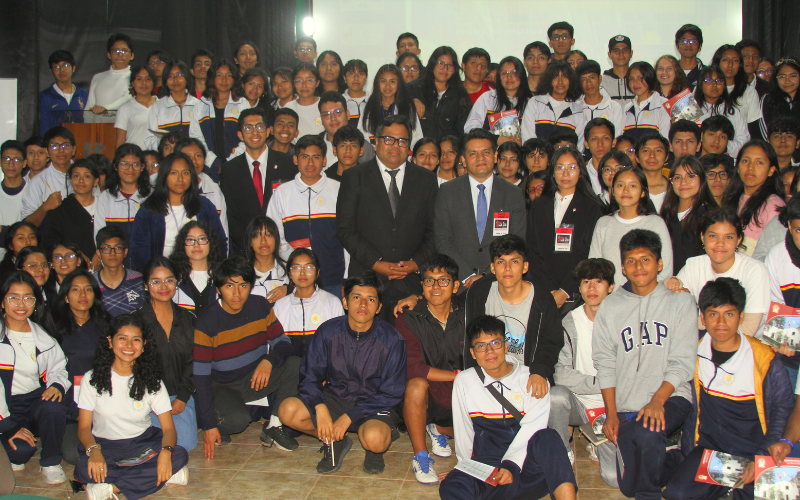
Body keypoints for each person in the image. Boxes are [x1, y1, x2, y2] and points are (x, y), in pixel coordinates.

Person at [662, 277, 793, 500]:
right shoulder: (692, 355)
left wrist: (761, 457)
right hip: (712, 452)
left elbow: (782, 410)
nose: (721, 322)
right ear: (702, 318)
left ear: (741, 317)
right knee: (678, 494)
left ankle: (731, 489)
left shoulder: (765, 360)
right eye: (713, 314)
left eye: (729, 314)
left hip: (755, 453)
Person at [592, 229, 696, 495]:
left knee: (647, 433)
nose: (638, 267)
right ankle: (674, 457)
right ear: (623, 268)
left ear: (659, 264)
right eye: (631, 261)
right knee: (628, 486)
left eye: (646, 259)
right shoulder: (610, 306)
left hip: (671, 396)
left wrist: (657, 401)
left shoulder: (681, 302)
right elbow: (605, 363)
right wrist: (611, 413)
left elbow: (682, 362)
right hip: (628, 405)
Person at [278, 271, 406, 474]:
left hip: (373, 404)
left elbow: (391, 392)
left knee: (375, 440)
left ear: (379, 307)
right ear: (345, 302)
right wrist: (319, 406)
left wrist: (349, 416)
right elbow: (310, 376)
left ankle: (373, 450)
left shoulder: (392, 340)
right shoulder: (328, 331)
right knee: (287, 410)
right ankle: (335, 440)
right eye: (356, 297)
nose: (363, 305)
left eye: (371, 299)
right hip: (336, 398)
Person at [439, 315, 577, 500]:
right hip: (490, 470)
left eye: (495, 343)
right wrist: (464, 468)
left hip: (528, 468)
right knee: (452, 485)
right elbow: (463, 429)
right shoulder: (464, 381)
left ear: (505, 346)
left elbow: (533, 428)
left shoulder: (533, 378)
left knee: (549, 437)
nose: (489, 351)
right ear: (472, 353)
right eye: (481, 346)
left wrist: (511, 465)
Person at [75, 313, 189, 500]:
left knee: (179, 454)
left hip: (141, 443)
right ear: (110, 342)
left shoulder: (153, 381)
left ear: (144, 345)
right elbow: (84, 428)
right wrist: (94, 451)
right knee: (83, 468)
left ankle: (112, 488)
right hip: (104, 445)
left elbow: (169, 429)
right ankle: (163, 476)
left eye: (136, 340)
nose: (129, 345)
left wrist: (166, 452)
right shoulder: (92, 379)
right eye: (122, 338)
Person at [194, 255, 300, 455]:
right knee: (238, 421)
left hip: (255, 378)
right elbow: (201, 376)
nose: (237, 294)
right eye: (229, 286)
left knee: (295, 364)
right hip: (223, 385)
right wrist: (209, 425)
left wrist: (269, 361)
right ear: (218, 289)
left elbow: (283, 343)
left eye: (243, 286)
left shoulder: (260, 306)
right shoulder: (206, 321)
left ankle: (274, 425)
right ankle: (212, 417)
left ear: (250, 286)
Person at [337, 115, 437, 318]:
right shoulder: (354, 177)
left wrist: (416, 263)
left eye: (402, 141)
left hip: (411, 282)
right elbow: (345, 229)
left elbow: (435, 230)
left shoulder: (426, 179)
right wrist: (377, 263)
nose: (395, 146)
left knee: (409, 338)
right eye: (389, 139)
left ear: (408, 146)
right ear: (376, 142)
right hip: (367, 280)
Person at [459, 234, 562, 404]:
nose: (507, 268)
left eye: (514, 262)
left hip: (528, 375)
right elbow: (471, 336)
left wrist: (539, 371)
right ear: (492, 268)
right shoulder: (480, 292)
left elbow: (551, 342)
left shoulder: (542, 299)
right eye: (501, 262)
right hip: (488, 373)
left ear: (525, 266)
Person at [393, 254, 464, 484]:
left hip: (460, 395)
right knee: (416, 384)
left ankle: (438, 429)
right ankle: (421, 456)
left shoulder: (467, 313)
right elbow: (412, 366)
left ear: (455, 286)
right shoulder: (408, 317)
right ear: (422, 285)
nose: (436, 287)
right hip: (426, 397)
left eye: (443, 280)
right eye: (429, 281)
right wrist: (456, 376)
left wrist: (463, 381)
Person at [549, 258, 617, 476]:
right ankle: (563, 450)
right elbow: (561, 375)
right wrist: (604, 383)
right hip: (580, 403)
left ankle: (596, 441)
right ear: (579, 288)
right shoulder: (569, 322)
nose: (592, 288)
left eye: (599, 282)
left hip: (614, 408)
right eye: (586, 282)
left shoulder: (623, 321)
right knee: (555, 396)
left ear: (611, 287)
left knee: (614, 477)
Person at [434, 128, 526, 287]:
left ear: (495, 156)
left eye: (486, 152)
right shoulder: (447, 191)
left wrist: (487, 276)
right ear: (463, 160)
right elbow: (442, 240)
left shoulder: (513, 194)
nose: (480, 158)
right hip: (459, 283)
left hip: (500, 283)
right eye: (473, 154)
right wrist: (467, 275)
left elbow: (516, 242)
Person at [0, 271, 69, 483]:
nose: (21, 304)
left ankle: (51, 462)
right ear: (2, 302)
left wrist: (57, 385)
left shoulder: (43, 337)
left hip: (34, 401)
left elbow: (60, 367)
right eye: (13, 297)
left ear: (35, 303)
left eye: (28, 298)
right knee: (20, 452)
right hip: (6, 406)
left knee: (53, 405)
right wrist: (8, 426)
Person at [667, 208, 770, 337]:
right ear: (703, 237)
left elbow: (749, 329)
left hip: (745, 344)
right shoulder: (694, 265)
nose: (720, 243)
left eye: (728, 237)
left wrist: (695, 322)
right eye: (713, 236)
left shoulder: (754, 270)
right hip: (701, 340)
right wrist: (670, 283)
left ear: (738, 240)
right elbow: (670, 310)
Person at [267, 134, 346, 296]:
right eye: (305, 157)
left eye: (316, 157)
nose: (310, 163)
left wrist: (347, 278)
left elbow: (349, 237)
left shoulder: (339, 190)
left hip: (334, 279)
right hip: (296, 279)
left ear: (324, 160)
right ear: (295, 159)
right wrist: (298, 264)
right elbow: (274, 236)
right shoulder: (282, 193)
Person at [131, 257, 197, 451]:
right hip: (146, 397)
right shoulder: (134, 321)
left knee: (185, 445)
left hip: (179, 397)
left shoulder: (188, 319)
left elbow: (196, 361)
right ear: (145, 285)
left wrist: (183, 396)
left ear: (176, 282)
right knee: (153, 446)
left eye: (169, 280)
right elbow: (130, 365)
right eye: (156, 281)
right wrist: (150, 398)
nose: (163, 287)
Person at [528, 146, 605, 309]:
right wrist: (548, 289)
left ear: (581, 171)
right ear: (552, 171)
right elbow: (532, 249)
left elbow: (587, 252)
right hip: (543, 289)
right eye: (560, 168)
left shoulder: (592, 207)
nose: (566, 174)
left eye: (572, 168)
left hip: (576, 291)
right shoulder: (539, 205)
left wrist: (564, 290)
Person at [51, 269, 112, 465]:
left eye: (88, 289)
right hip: (70, 407)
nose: (83, 295)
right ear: (66, 296)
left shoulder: (108, 327)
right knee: (74, 454)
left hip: (103, 403)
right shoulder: (53, 330)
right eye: (75, 289)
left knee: (116, 448)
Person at [129, 152, 227, 271]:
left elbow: (220, 242)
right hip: (163, 275)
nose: (180, 179)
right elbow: (139, 250)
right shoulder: (149, 210)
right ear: (164, 176)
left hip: (201, 273)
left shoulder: (204, 206)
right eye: (174, 173)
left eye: (185, 173)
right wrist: (158, 273)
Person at [220, 107, 296, 253]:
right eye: (248, 128)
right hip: (247, 250)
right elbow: (231, 217)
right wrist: (251, 246)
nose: (255, 132)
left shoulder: (288, 164)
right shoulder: (229, 170)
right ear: (240, 135)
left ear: (268, 131)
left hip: (284, 247)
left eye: (259, 127)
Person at [589, 166, 673, 286]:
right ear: (613, 191)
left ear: (643, 192)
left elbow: (666, 271)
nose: (626, 191)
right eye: (620, 185)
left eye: (633, 186)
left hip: (650, 295)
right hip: (613, 296)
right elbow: (595, 268)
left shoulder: (655, 223)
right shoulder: (603, 223)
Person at [274, 248, 344, 357]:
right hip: (290, 366)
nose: (302, 273)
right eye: (296, 268)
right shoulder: (280, 306)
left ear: (317, 272)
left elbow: (340, 345)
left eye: (309, 267)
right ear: (289, 273)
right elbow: (275, 346)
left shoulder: (332, 302)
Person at [188, 59, 250, 178]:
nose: (224, 80)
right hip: (208, 168)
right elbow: (196, 137)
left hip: (237, 165)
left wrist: (230, 163)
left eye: (229, 75)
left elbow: (248, 137)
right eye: (219, 75)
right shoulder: (201, 105)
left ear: (234, 79)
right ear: (212, 79)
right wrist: (214, 163)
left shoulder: (243, 103)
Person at [93, 144, 152, 269]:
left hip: (147, 268)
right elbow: (100, 237)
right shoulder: (105, 198)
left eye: (135, 164)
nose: (130, 169)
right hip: (114, 269)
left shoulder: (152, 196)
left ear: (142, 167)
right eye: (124, 164)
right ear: (115, 166)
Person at [723, 139, 785, 254]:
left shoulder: (773, 205)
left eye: (759, 162)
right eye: (745, 161)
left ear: (771, 170)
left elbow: (776, 253)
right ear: (738, 167)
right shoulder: (732, 198)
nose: (751, 167)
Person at [765, 195, 800, 387]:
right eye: (799, 230)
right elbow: (774, 305)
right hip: (791, 355)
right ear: (789, 226)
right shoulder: (777, 256)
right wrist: (783, 340)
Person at [661, 155, 716, 273]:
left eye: (690, 176)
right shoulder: (667, 215)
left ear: (701, 179)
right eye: (677, 177)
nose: (683, 182)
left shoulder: (709, 217)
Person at [408, 45, 473, 143]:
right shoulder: (414, 88)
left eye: (450, 65)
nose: (445, 69)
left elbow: (464, 131)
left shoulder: (460, 95)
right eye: (440, 63)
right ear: (432, 64)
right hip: (419, 148)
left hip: (448, 150)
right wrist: (412, 100)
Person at [464, 56, 531, 146]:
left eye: (514, 72)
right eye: (504, 73)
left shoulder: (531, 103)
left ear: (522, 75)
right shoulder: (488, 98)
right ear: (499, 77)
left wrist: (525, 142)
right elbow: (470, 127)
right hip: (489, 150)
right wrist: (495, 138)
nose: (509, 77)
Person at [42, 159, 99, 263]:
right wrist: (75, 254)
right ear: (71, 180)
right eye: (76, 176)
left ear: (95, 181)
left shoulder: (103, 206)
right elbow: (51, 243)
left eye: (87, 176)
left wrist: (100, 253)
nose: (81, 180)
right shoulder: (59, 210)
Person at [173, 138, 229, 240]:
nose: (194, 161)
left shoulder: (213, 189)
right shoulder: (170, 188)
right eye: (188, 156)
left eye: (198, 156)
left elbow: (222, 229)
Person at [21, 127, 77, 226]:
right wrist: (45, 208)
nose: (61, 150)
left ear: (73, 150)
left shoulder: (87, 176)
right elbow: (26, 224)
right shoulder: (37, 182)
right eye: (54, 146)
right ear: (46, 151)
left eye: (66, 145)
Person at [520, 60, 585, 146]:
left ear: (571, 80)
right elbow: (528, 137)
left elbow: (579, 146)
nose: (560, 81)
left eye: (564, 76)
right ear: (549, 80)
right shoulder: (535, 103)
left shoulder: (578, 112)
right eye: (555, 77)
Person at [359, 64, 423, 148]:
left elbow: (416, 140)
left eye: (392, 82)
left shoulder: (408, 108)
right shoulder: (368, 108)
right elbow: (362, 139)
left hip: (400, 153)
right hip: (375, 154)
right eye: (383, 81)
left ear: (399, 84)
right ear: (377, 83)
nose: (387, 86)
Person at [169, 220, 224, 314]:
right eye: (190, 240)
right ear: (182, 244)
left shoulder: (223, 276)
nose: (196, 245)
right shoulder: (173, 277)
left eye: (202, 239)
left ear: (211, 242)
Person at [695, 65, 751, 157]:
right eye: (709, 80)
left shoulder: (733, 112)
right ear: (700, 84)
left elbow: (744, 143)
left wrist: (723, 144)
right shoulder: (691, 110)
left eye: (719, 80)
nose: (714, 84)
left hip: (725, 160)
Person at [143, 61, 199, 151]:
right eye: (170, 76)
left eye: (179, 74)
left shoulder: (198, 105)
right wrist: (168, 145)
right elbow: (149, 139)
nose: (175, 79)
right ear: (165, 81)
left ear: (187, 78)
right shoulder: (157, 107)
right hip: (167, 157)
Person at [93, 225, 145, 316]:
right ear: (98, 253)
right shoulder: (90, 282)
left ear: (125, 252)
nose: (112, 253)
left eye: (117, 248)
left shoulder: (139, 280)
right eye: (106, 248)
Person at [711, 45, 763, 137]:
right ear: (717, 62)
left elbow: (753, 128)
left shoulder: (749, 91)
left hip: (739, 143)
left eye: (735, 60)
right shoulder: (704, 87)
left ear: (740, 65)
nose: (730, 64)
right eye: (725, 60)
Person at [84, 33, 134, 123]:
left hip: (124, 129)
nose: (120, 54)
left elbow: (127, 99)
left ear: (132, 56)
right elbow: (89, 109)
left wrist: (106, 109)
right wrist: (88, 128)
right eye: (116, 51)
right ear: (109, 54)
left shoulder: (135, 78)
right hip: (98, 129)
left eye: (124, 51)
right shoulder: (98, 77)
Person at [318, 91, 375, 166]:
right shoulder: (316, 146)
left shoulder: (363, 146)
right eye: (327, 114)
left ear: (348, 114)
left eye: (338, 112)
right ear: (321, 119)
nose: (333, 118)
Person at [575, 60, 625, 144]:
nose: (589, 83)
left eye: (592, 77)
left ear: (600, 79)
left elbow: (617, 137)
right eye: (584, 79)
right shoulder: (576, 108)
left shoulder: (614, 107)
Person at [39, 50, 88, 135]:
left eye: (66, 66)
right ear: (51, 71)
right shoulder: (45, 96)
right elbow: (44, 126)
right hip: (55, 141)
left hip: (81, 140)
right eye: (56, 67)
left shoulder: (84, 95)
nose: (62, 70)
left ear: (73, 68)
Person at [243, 216, 289, 302]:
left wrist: (289, 290)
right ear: (250, 242)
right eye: (257, 236)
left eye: (268, 235)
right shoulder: (240, 272)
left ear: (276, 239)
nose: (263, 241)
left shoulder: (289, 271)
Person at [622, 61, 670, 138]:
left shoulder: (663, 105)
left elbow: (665, 139)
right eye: (631, 79)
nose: (635, 83)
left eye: (640, 78)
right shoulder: (627, 108)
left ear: (649, 77)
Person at [114, 65, 157, 149]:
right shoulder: (125, 108)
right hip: (134, 155)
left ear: (153, 82)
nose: (144, 83)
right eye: (139, 79)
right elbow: (120, 140)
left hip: (158, 155)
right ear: (132, 83)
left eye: (148, 79)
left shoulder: (162, 105)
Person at [759, 57, 800, 138]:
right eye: (782, 76)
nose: (787, 81)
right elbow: (765, 132)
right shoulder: (767, 99)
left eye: (793, 76)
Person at [0, 141, 28, 257]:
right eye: (6, 159)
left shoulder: (32, 191)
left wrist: (3, 230)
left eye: (16, 160)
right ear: (0, 161)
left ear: (24, 163)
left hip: (24, 257)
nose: (11, 164)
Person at [283, 63, 324, 139]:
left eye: (309, 80)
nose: (304, 85)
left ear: (317, 83)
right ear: (294, 83)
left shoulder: (324, 104)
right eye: (299, 80)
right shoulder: (289, 107)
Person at [582, 117, 619, 196]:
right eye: (594, 139)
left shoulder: (621, 172)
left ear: (613, 142)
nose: (600, 144)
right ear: (586, 144)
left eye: (605, 138)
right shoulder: (581, 174)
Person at [636, 132, 671, 211]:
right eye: (646, 151)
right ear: (637, 158)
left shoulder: (675, 188)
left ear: (666, 157)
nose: (652, 155)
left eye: (658, 150)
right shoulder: (630, 189)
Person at [602, 35, 635, 104]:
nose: (621, 54)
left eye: (625, 50)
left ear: (631, 53)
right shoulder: (602, 82)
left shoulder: (639, 80)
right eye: (616, 51)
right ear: (609, 55)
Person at [343, 59, 369, 127]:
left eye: (360, 74)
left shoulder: (374, 100)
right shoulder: (339, 102)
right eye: (352, 73)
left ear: (366, 78)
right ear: (344, 78)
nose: (356, 78)